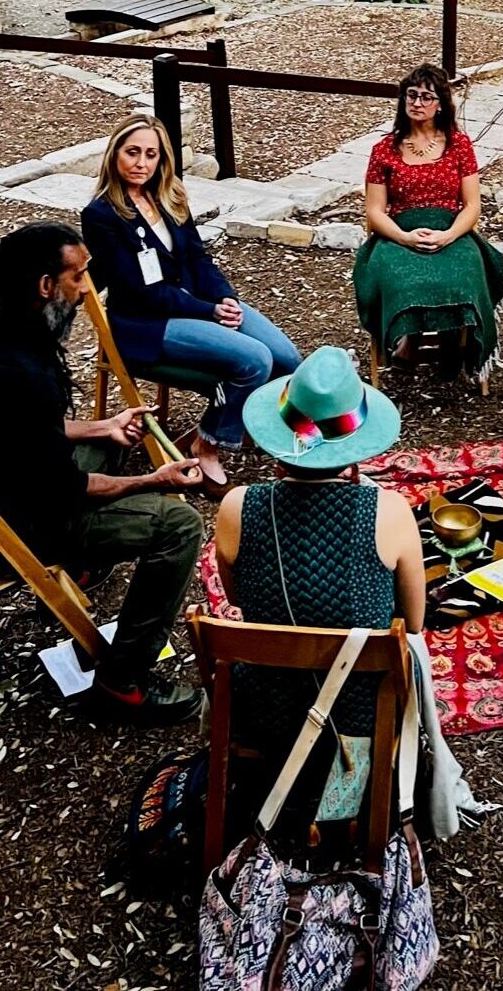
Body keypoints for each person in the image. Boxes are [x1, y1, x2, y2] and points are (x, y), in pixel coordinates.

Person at [0, 222, 207, 726]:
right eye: (80, 277)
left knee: (109, 446)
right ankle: (122, 683)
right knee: (180, 527)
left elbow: (26, 431)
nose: (88, 290)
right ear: (46, 285)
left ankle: (82, 572)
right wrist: (157, 480)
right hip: (23, 524)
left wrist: (103, 427)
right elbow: (65, 488)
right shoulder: (18, 368)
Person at [212, 346, 426, 832]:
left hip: (262, 695)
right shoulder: (389, 511)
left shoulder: (235, 507)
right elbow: (413, 624)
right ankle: (344, 812)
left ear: (278, 447)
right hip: (359, 706)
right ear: (355, 458)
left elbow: (240, 598)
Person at [81, 113, 300, 497]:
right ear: (114, 154)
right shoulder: (101, 215)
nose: (141, 163)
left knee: (287, 358)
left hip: (197, 304)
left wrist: (225, 298)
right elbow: (138, 291)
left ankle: (254, 424)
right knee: (254, 361)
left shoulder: (168, 195)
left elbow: (198, 259)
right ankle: (208, 444)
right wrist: (209, 312)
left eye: (151, 154)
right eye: (132, 152)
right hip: (145, 323)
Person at [354, 64, 503, 382]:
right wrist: (404, 237)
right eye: (411, 95)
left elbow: (473, 204)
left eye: (426, 96)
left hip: (450, 229)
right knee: (400, 277)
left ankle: (455, 340)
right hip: (398, 233)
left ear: (440, 104)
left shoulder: (459, 145)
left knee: (465, 273)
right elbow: (375, 211)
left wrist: (449, 235)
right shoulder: (383, 150)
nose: (417, 102)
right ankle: (412, 339)